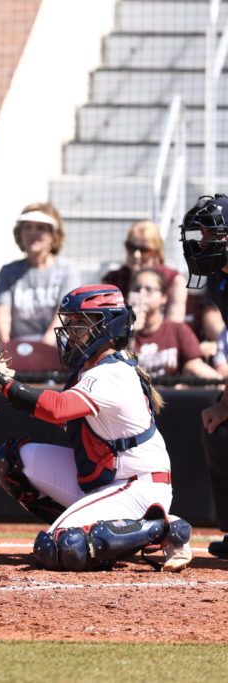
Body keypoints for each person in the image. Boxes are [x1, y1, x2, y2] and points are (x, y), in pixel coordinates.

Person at [0, 285, 192, 572]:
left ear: (108, 326)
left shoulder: (112, 372)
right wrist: (0, 381)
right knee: (12, 461)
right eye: (72, 321)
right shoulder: (90, 368)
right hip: (104, 479)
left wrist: (2, 383)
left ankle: (161, 529)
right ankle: (107, 533)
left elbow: (57, 409)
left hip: (136, 485)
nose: (71, 330)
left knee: (58, 548)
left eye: (81, 322)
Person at [179, 194, 228, 560]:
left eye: (215, 236)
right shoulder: (218, 282)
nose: (205, 244)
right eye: (202, 235)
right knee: (219, 431)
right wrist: (225, 405)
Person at [0, 202, 81, 345]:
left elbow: (65, 312)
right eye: (27, 227)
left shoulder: (68, 269)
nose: (33, 233)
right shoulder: (9, 271)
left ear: (54, 235)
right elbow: (2, 311)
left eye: (40, 227)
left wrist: (44, 346)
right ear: (19, 233)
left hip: (58, 347)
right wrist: (6, 346)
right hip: (19, 346)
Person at [128, 267, 221, 380]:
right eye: (137, 289)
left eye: (149, 289)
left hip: (171, 393)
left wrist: (220, 385)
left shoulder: (177, 330)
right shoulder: (122, 331)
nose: (142, 294)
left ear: (164, 297)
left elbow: (195, 365)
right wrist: (131, 333)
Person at [103, 219, 187, 323]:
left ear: (157, 253)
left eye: (144, 251)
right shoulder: (112, 280)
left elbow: (175, 325)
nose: (136, 255)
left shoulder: (174, 280)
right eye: (131, 247)